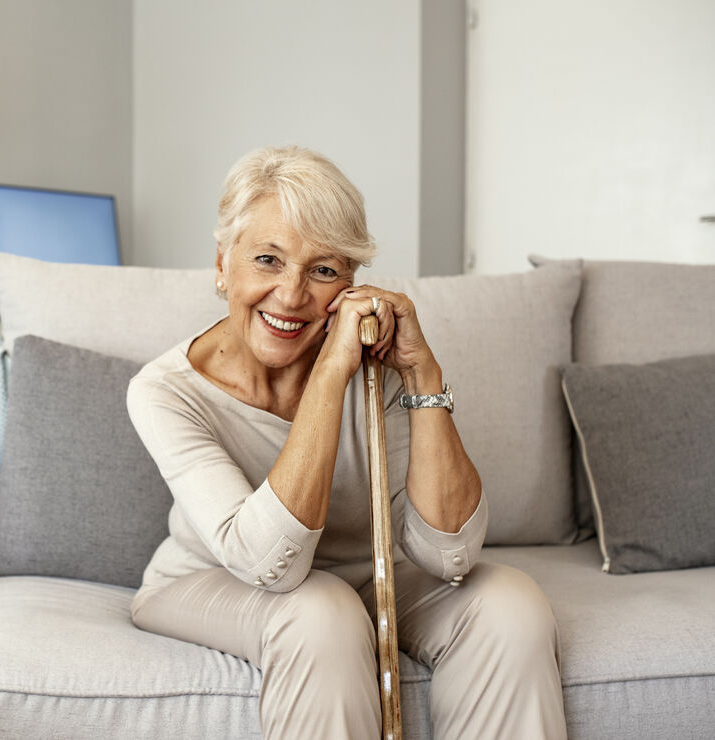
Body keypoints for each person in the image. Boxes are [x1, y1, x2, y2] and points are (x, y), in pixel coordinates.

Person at [127, 145, 567, 739]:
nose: (290, 295)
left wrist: (421, 373)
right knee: (319, 609)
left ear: (350, 283)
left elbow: (450, 556)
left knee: (508, 602)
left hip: (369, 572)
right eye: (267, 259)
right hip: (213, 579)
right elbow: (269, 568)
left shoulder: (381, 369)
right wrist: (331, 374)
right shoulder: (165, 390)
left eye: (323, 270)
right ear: (222, 265)